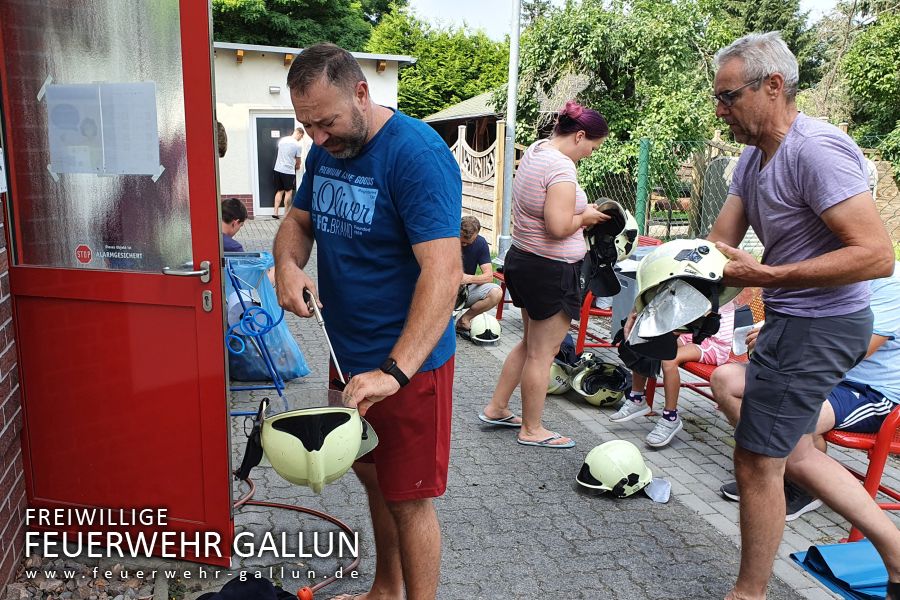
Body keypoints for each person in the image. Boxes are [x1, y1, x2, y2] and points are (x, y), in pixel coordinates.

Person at [705, 32, 897, 600]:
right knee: (791, 453)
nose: (721, 109)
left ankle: (749, 593)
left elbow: (876, 255)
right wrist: (673, 293)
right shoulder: (751, 158)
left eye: (730, 96)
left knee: (757, 461)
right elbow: (720, 244)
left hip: (823, 325)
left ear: (772, 86)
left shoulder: (816, 149)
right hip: (793, 323)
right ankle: (895, 551)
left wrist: (767, 277)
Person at [273, 43, 461, 600]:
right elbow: (297, 222)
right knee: (373, 475)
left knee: (410, 497)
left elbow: (443, 273)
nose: (318, 138)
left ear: (361, 93)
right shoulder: (327, 151)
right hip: (347, 351)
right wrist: (285, 264)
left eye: (326, 121)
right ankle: (385, 588)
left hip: (407, 363)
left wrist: (395, 372)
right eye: (306, 125)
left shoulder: (415, 155)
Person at [712, 262, 900, 519]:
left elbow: (857, 350)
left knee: (790, 414)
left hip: (868, 389)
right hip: (812, 373)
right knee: (725, 379)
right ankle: (772, 471)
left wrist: (783, 340)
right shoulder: (833, 270)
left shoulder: (891, 283)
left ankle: (801, 486)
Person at [478, 100, 609, 448]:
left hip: (524, 260)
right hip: (551, 270)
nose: (591, 154)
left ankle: (497, 407)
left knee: (529, 343)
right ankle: (532, 429)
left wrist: (579, 213)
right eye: (593, 147)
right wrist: (586, 218)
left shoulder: (538, 150)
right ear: (580, 136)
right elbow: (557, 226)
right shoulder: (563, 169)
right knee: (542, 353)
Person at [609, 299, 737, 448]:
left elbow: (698, 318)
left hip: (713, 342)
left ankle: (671, 418)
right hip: (693, 335)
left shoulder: (721, 288)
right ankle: (637, 398)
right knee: (649, 339)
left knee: (669, 360)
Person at [457, 215, 503, 333]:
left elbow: (488, 276)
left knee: (496, 292)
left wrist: (466, 279)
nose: (464, 245)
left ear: (476, 235)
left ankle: (464, 320)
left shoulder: (481, 243)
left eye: (468, 243)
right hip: (443, 291)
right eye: (462, 242)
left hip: (466, 290)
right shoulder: (448, 240)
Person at [271, 127, 306, 219]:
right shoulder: (298, 145)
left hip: (277, 169)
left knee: (279, 191)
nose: (301, 139)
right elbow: (298, 161)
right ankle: (286, 214)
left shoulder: (282, 140)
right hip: (288, 171)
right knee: (288, 192)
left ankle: (275, 212)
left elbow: (282, 153)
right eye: (301, 137)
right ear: (299, 134)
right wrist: (298, 166)